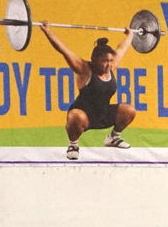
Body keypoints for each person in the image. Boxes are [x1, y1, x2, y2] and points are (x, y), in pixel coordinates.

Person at [41, 28, 136, 158]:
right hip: (83, 115)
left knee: (129, 110)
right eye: (104, 61)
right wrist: (47, 31)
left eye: (110, 61)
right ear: (94, 59)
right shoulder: (84, 69)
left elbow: (122, 48)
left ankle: (113, 138)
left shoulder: (110, 67)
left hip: (103, 114)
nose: (108, 64)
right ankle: (73, 144)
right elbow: (63, 49)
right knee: (75, 116)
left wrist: (131, 34)